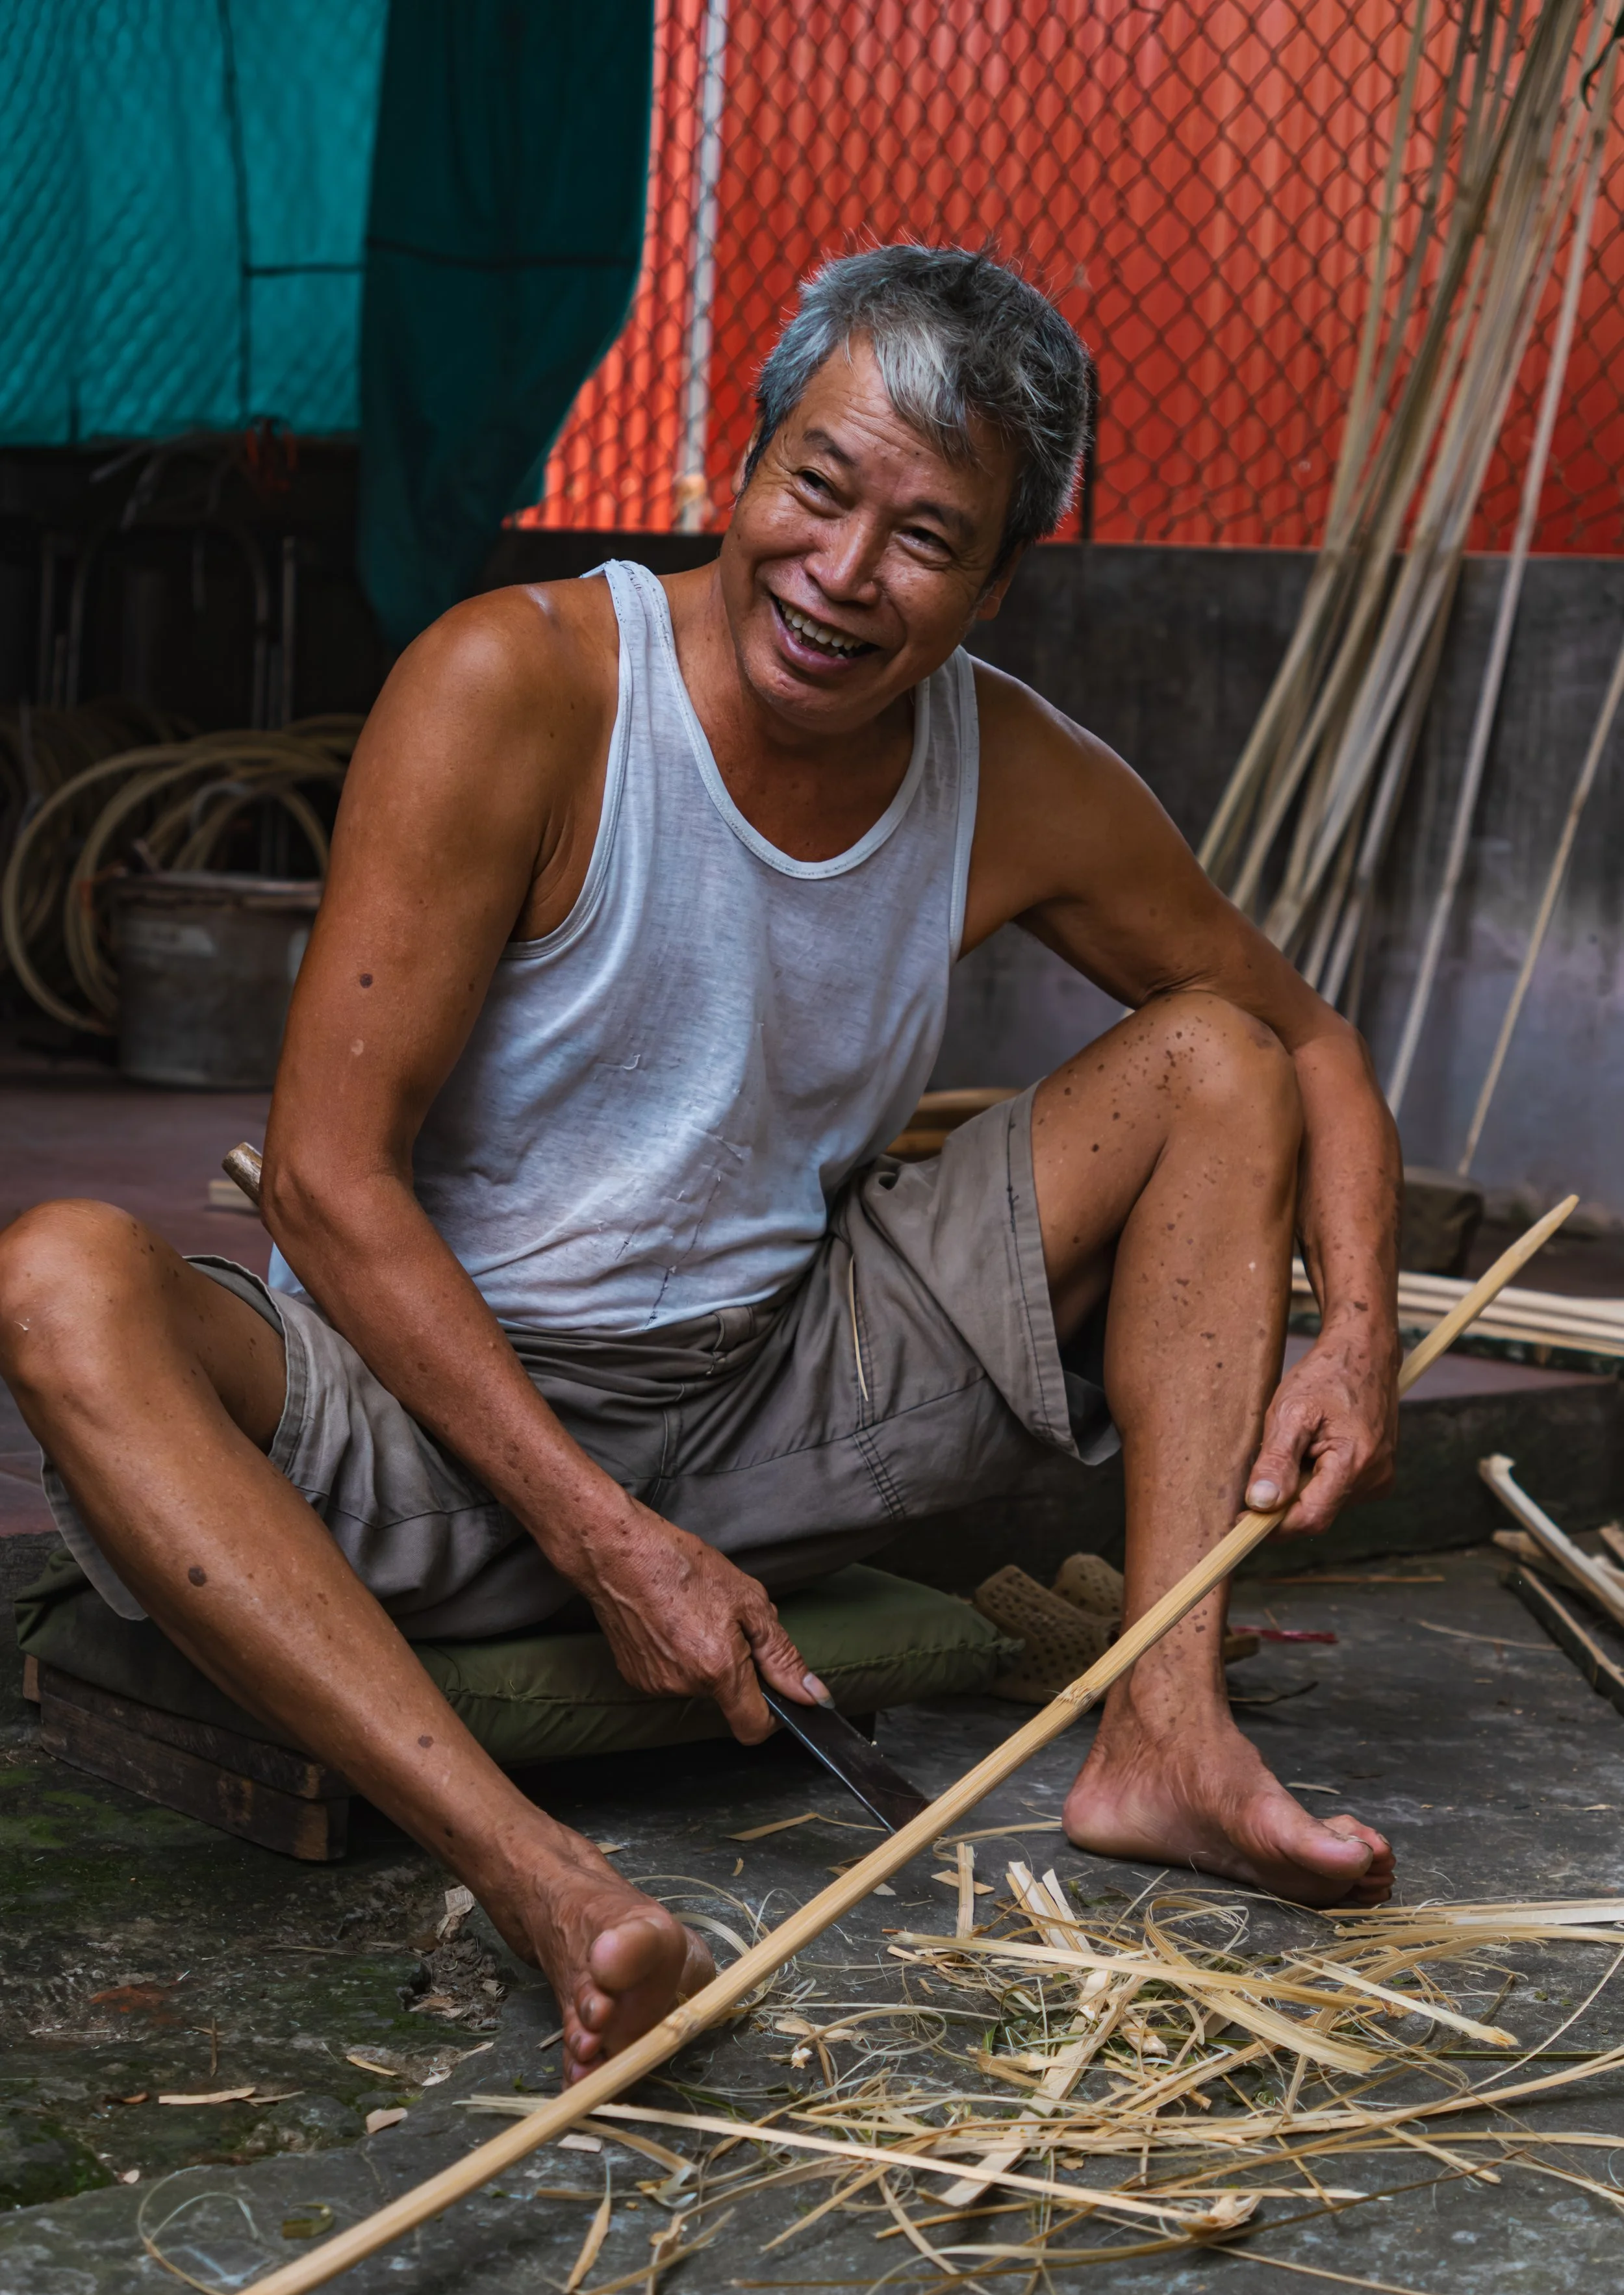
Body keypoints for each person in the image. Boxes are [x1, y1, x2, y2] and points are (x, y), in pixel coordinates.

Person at [0, 247, 1401, 2084]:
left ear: (995, 581)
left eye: (922, 537)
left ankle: (1166, 1733)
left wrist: (1356, 1327)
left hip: (766, 1400)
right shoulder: (520, 683)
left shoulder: (1022, 775)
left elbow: (1302, 1037)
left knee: (1213, 1059)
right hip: (420, 1431)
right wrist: (605, 1538)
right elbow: (334, 1185)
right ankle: (546, 1885)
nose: (839, 575)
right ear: (739, 465)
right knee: (56, 1277)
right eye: (815, 488)